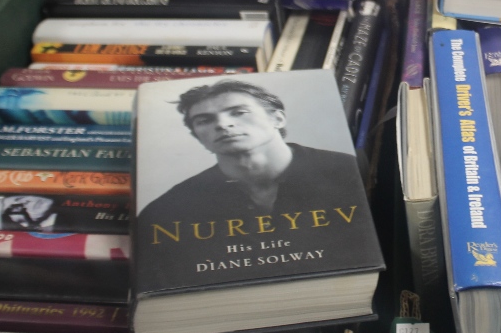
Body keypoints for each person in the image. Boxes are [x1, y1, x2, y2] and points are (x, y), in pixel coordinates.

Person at [137, 79, 360, 228]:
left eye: (238, 112)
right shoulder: (168, 211)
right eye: (204, 120)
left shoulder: (350, 173)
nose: (223, 125)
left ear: (277, 118)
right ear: (197, 135)